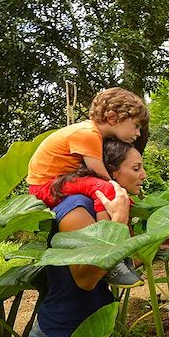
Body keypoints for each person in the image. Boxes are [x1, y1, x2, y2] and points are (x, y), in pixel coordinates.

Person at [21, 139, 147, 337]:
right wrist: (118, 222)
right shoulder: (76, 209)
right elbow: (86, 276)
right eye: (136, 168)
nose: (144, 175)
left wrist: (151, 247)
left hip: (90, 328)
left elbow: (113, 268)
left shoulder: (98, 208)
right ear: (110, 173)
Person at [27, 87, 149, 286]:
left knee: (110, 192)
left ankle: (122, 252)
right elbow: (100, 174)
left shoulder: (90, 133)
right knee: (107, 191)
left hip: (55, 181)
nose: (137, 133)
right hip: (46, 185)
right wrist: (116, 193)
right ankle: (109, 250)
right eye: (135, 126)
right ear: (112, 117)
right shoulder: (88, 134)